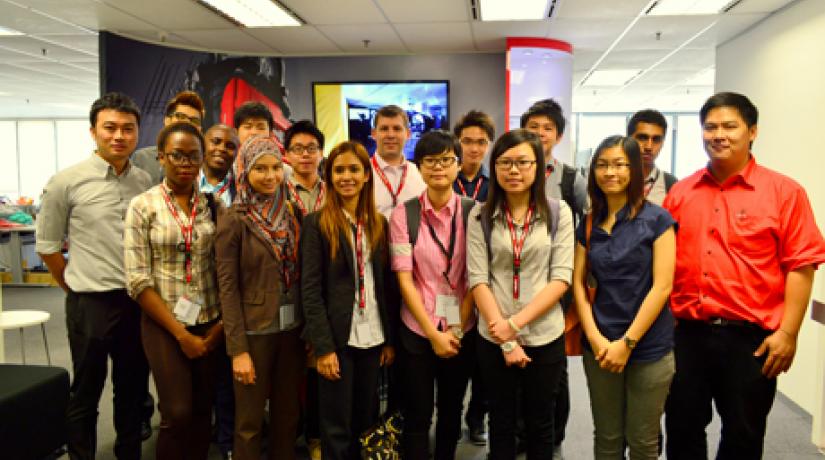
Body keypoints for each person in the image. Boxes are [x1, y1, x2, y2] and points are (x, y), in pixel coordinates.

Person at [663, 92, 825, 459]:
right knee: (682, 428)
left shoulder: (784, 192)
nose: (718, 134)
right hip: (686, 334)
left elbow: (800, 266)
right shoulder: (681, 192)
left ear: (752, 132)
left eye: (729, 126)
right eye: (710, 127)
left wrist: (788, 333)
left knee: (743, 433)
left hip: (751, 339)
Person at [36, 92, 151, 460]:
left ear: (137, 133)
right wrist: (72, 285)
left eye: (127, 129)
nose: (119, 136)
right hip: (90, 302)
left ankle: (128, 452)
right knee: (86, 389)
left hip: (136, 301)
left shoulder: (145, 180)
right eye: (110, 128)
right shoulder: (66, 181)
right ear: (93, 132)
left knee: (132, 388)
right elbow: (48, 246)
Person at [467, 129, 573, 459]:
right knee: (501, 422)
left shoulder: (559, 213)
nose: (514, 170)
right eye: (505, 162)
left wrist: (514, 325)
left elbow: (561, 278)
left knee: (541, 422)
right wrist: (506, 336)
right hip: (493, 335)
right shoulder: (479, 215)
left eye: (523, 162)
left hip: (543, 334)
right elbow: (478, 279)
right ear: (495, 168)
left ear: (539, 167)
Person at [572, 135, 676, 459]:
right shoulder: (588, 224)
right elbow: (577, 283)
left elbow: (662, 287)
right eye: (602, 165)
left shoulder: (658, 220)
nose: (609, 172)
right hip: (600, 346)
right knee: (607, 438)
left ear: (634, 169)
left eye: (619, 164)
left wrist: (627, 343)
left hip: (648, 347)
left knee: (643, 442)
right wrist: (594, 337)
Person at [124, 122, 223, 460]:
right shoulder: (143, 205)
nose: (185, 163)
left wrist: (219, 328)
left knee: (201, 411)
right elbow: (137, 280)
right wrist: (181, 335)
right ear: (162, 157)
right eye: (177, 156)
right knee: (177, 412)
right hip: (164, 324)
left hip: (210, 321)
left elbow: (223, 268)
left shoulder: (213, 204)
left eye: (193, 156)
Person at [301, 141, 398, 460]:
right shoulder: (316, 224)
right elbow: (311, 291)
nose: (347, 176)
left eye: (354, 169)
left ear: (366, 175)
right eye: (339, 170)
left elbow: (384, 286)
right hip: (338, 339)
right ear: (328, 177)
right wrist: (323, 347)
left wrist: (388, 339)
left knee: (366, 418)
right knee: (336, 425)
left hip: (372, 334)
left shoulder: (378, 224)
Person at [215, 135, 305, 460]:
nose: (270, 176)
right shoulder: (234, 219)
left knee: (287, 415)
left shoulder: (294, 213)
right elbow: (227, 289)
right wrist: (237, 350)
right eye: (260, 169)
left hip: (292, 330)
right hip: (254, 334)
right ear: (244, 172)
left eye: (275, 168)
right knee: (250, 422)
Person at [390, 131, 476, 459]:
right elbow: (404, 279)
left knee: (452, 410)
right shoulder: (404, 214)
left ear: (458, 164)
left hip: (460, 326)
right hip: (417, 328)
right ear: (419, 167)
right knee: (417, 413)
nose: (438, 167)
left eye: (446, 160)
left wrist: (454, 330)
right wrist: (431, 333)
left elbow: (475, 278)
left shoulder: (475, 213)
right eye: (430, 161)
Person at [521, 98, 585, 458]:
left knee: (553, 363)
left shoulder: (571, 178)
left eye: (547, 128)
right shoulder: (513, 169)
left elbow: (585, 229)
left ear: (557, 135)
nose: (540, 133)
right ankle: (520, 432)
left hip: (556, 284)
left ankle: (553, 432)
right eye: (533, 127)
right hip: (516, 281)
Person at [282, 119, 325, 460]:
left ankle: (316, 433)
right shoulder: (277, 191)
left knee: (317, 363)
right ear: (288, 154)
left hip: (323, 289)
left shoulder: (334, 191)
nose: (305, 155)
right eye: (298, 149)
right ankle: (289, 429)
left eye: (311, 149)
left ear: (320, 153)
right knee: (289, 365)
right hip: (287, 287)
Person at [133, 91, 205, 185]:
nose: (186, 123)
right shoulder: (142, 158)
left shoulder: (205, 165)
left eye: (194, 121)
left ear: (200, 129)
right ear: (167, 120)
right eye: (180, 116)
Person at [370, 105, 426, 217]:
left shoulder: (420, 173)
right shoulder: (362, 173)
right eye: (384, 129)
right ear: (374, 134)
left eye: (397, 129)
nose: (390, 135)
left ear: (408, 134)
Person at [627, 109, 678, 205]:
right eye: (642, 138)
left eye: (656, 139)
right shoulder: (614, 179)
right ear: (629, 140)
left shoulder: (671, 185)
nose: (649, 147)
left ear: (663, 143)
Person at [453, 110, 494, 203]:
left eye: (481, 142)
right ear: (456, 143)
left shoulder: (495, 182)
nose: (474, 149)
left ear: (489, 145)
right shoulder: (446, 179)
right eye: (467, 141)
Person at [200, 124, 239, 206]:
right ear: (202, 145)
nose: (222, 149)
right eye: (215, 142)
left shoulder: (241, 190)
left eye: (230, 146)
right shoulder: (186, 179)